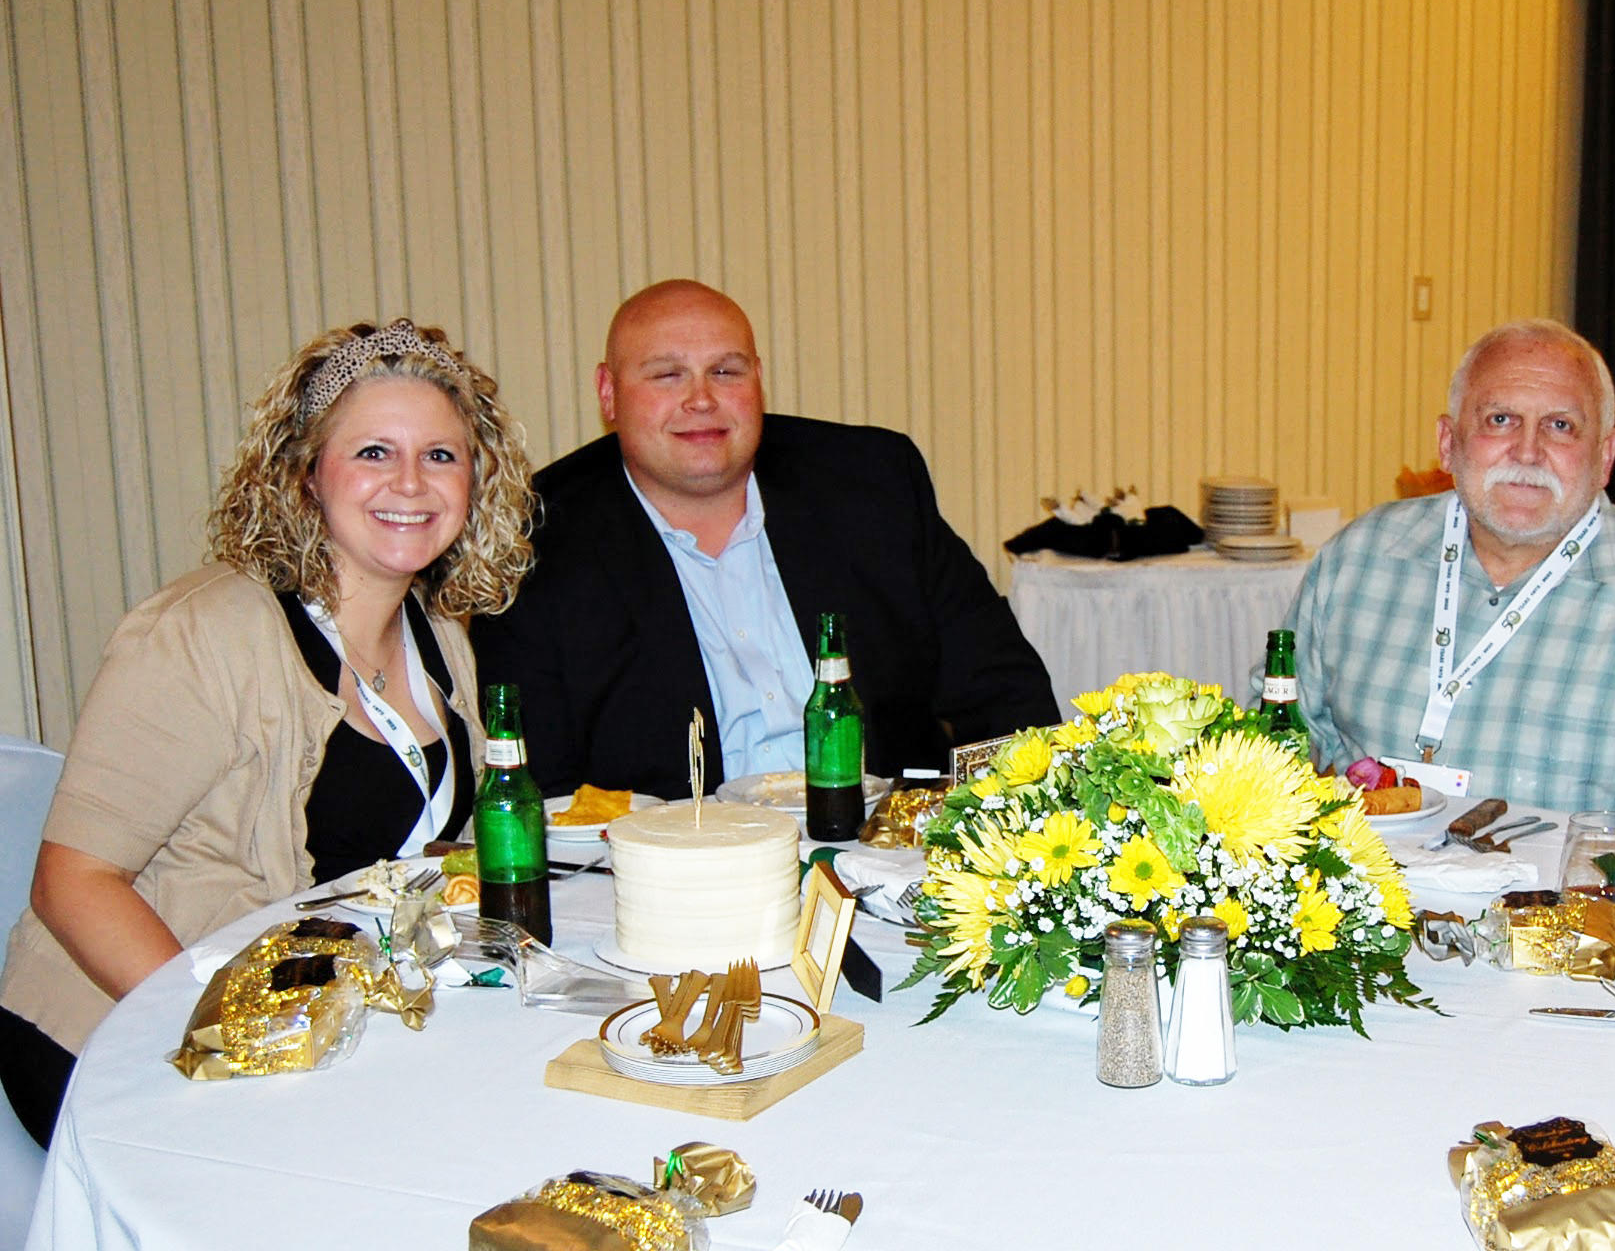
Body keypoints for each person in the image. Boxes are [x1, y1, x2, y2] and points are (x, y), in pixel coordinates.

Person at [0, 320, 536, 1146]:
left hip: (320, 1010)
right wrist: (231, 1030)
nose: (412, 483)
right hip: (129, 1035)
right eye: (372, 453)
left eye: (441, 455)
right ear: (304, 475)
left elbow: (426, 855)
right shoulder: (202, 632)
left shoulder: (439, 634)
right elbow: (74, 881)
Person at [471, 279, 1058, 800]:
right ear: (608, 393)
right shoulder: (534, 542)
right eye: (667, 374)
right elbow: (539, 789)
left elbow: (1006, 698)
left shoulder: (871, 486)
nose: (701, 399)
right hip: (681, 881)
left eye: (726, 371)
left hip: (890, 851)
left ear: (759, 378)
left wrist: (996, 831)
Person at [1283, 319, 1615, 846]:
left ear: (1605, 456)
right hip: (1359, 912)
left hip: (1564, 921)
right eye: (1500, 419)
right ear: (1448, 443)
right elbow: (1273, 751)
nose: (1528, 451)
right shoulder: (1356, 560)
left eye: (1560, 426)